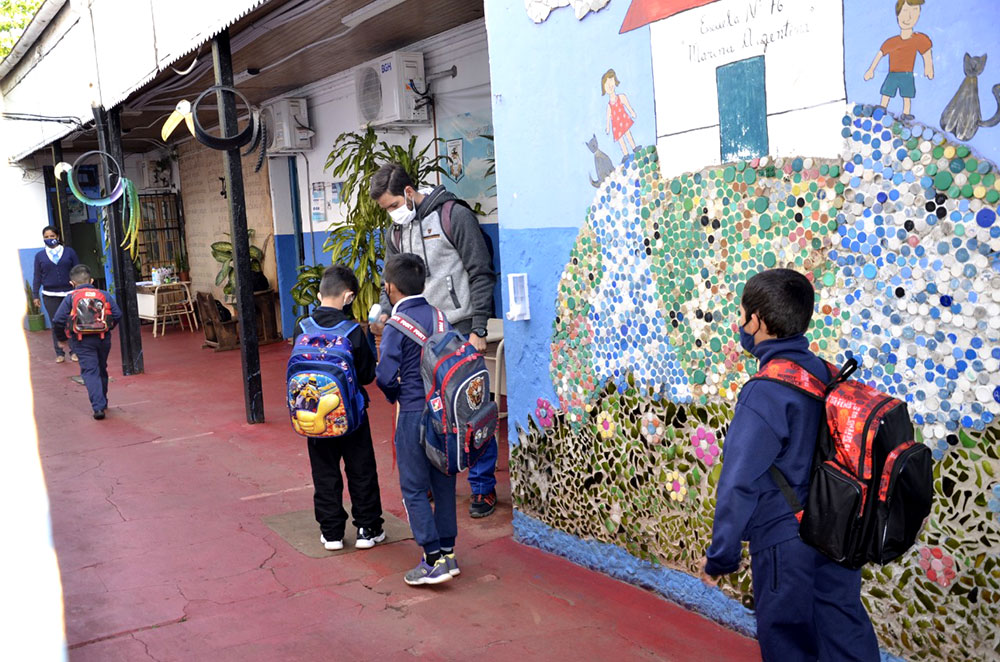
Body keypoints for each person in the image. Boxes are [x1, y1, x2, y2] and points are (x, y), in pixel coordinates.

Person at [699, 269, 879, 662]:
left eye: (744, 315)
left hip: (786, 543)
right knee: (844, 634)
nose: (742, 325)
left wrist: (721, 557)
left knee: (789, 644)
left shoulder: (764, 393)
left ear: (758, 321)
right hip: (837, 534)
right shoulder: (827, 374)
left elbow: (737, 483)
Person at [370, 163, 499, 519]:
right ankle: (430, 479)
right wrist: (385, 311)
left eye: (392, 204)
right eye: (385, 209)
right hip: (417, 335)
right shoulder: (396, 234)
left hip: (457, 330)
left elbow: (480, 271)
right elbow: (390, 280)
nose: (391, 213)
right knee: (426, 412)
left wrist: (479, 329)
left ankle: (483, 488)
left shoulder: (452, 216)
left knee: (470, 410)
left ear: (409, 193)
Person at [376, 253, 459, 585]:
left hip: (413, 411)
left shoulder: (396, 325)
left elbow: (384, 374)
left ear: (391, 288)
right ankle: (449, 554)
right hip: (445, 414)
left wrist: (395, 394)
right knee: (444, 483)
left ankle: (432, 559)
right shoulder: (441, 318)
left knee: (413, 486)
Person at [294, 265, 384, 551]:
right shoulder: (353, 331)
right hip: (352, 416)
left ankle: (331, 532)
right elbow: (368, 375)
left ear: (320, 293)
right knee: (361, 470)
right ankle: (367, 529)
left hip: (314, 418)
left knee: (324, 473)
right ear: (348, 297)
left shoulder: (302, 328)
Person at [52, 264, 121, 420]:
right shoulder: (103, 294)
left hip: (82, 341)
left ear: (72, 283)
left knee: (90, 371)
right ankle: (103, 401)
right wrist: (108, 328)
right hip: (103, 339)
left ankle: (98, 408)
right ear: (91, 280)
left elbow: (57, 320)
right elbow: (117, 314)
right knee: (102, 368)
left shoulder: (71, 297)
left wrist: (62, 339)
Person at [864, 0, 933, 121]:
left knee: (907, 95)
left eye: (914, 10)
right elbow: (880, 54)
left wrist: (929, 67)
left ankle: (906, 113)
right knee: (886, 91)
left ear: (919, 14)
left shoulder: (918, 39)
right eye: (905, 11)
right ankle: (882, 107)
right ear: (898, 14)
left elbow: (926, 51)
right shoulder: (892, 42)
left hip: (907, 74)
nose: (909, 16)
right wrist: (871, 70)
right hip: (893, 74)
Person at [31, 225, 79, 363]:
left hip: (69, 294)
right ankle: (59, 353)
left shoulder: (69, 252)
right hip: (50, 295)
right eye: (46, 237)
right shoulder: (39, 256)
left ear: (57, 237)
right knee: (56, 323)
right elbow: (37, 276)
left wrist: (80, 286)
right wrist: (35, 295)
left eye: (52, 236)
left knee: (71, 322)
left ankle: (74, 351)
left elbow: (77, 269)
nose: (49, 239)